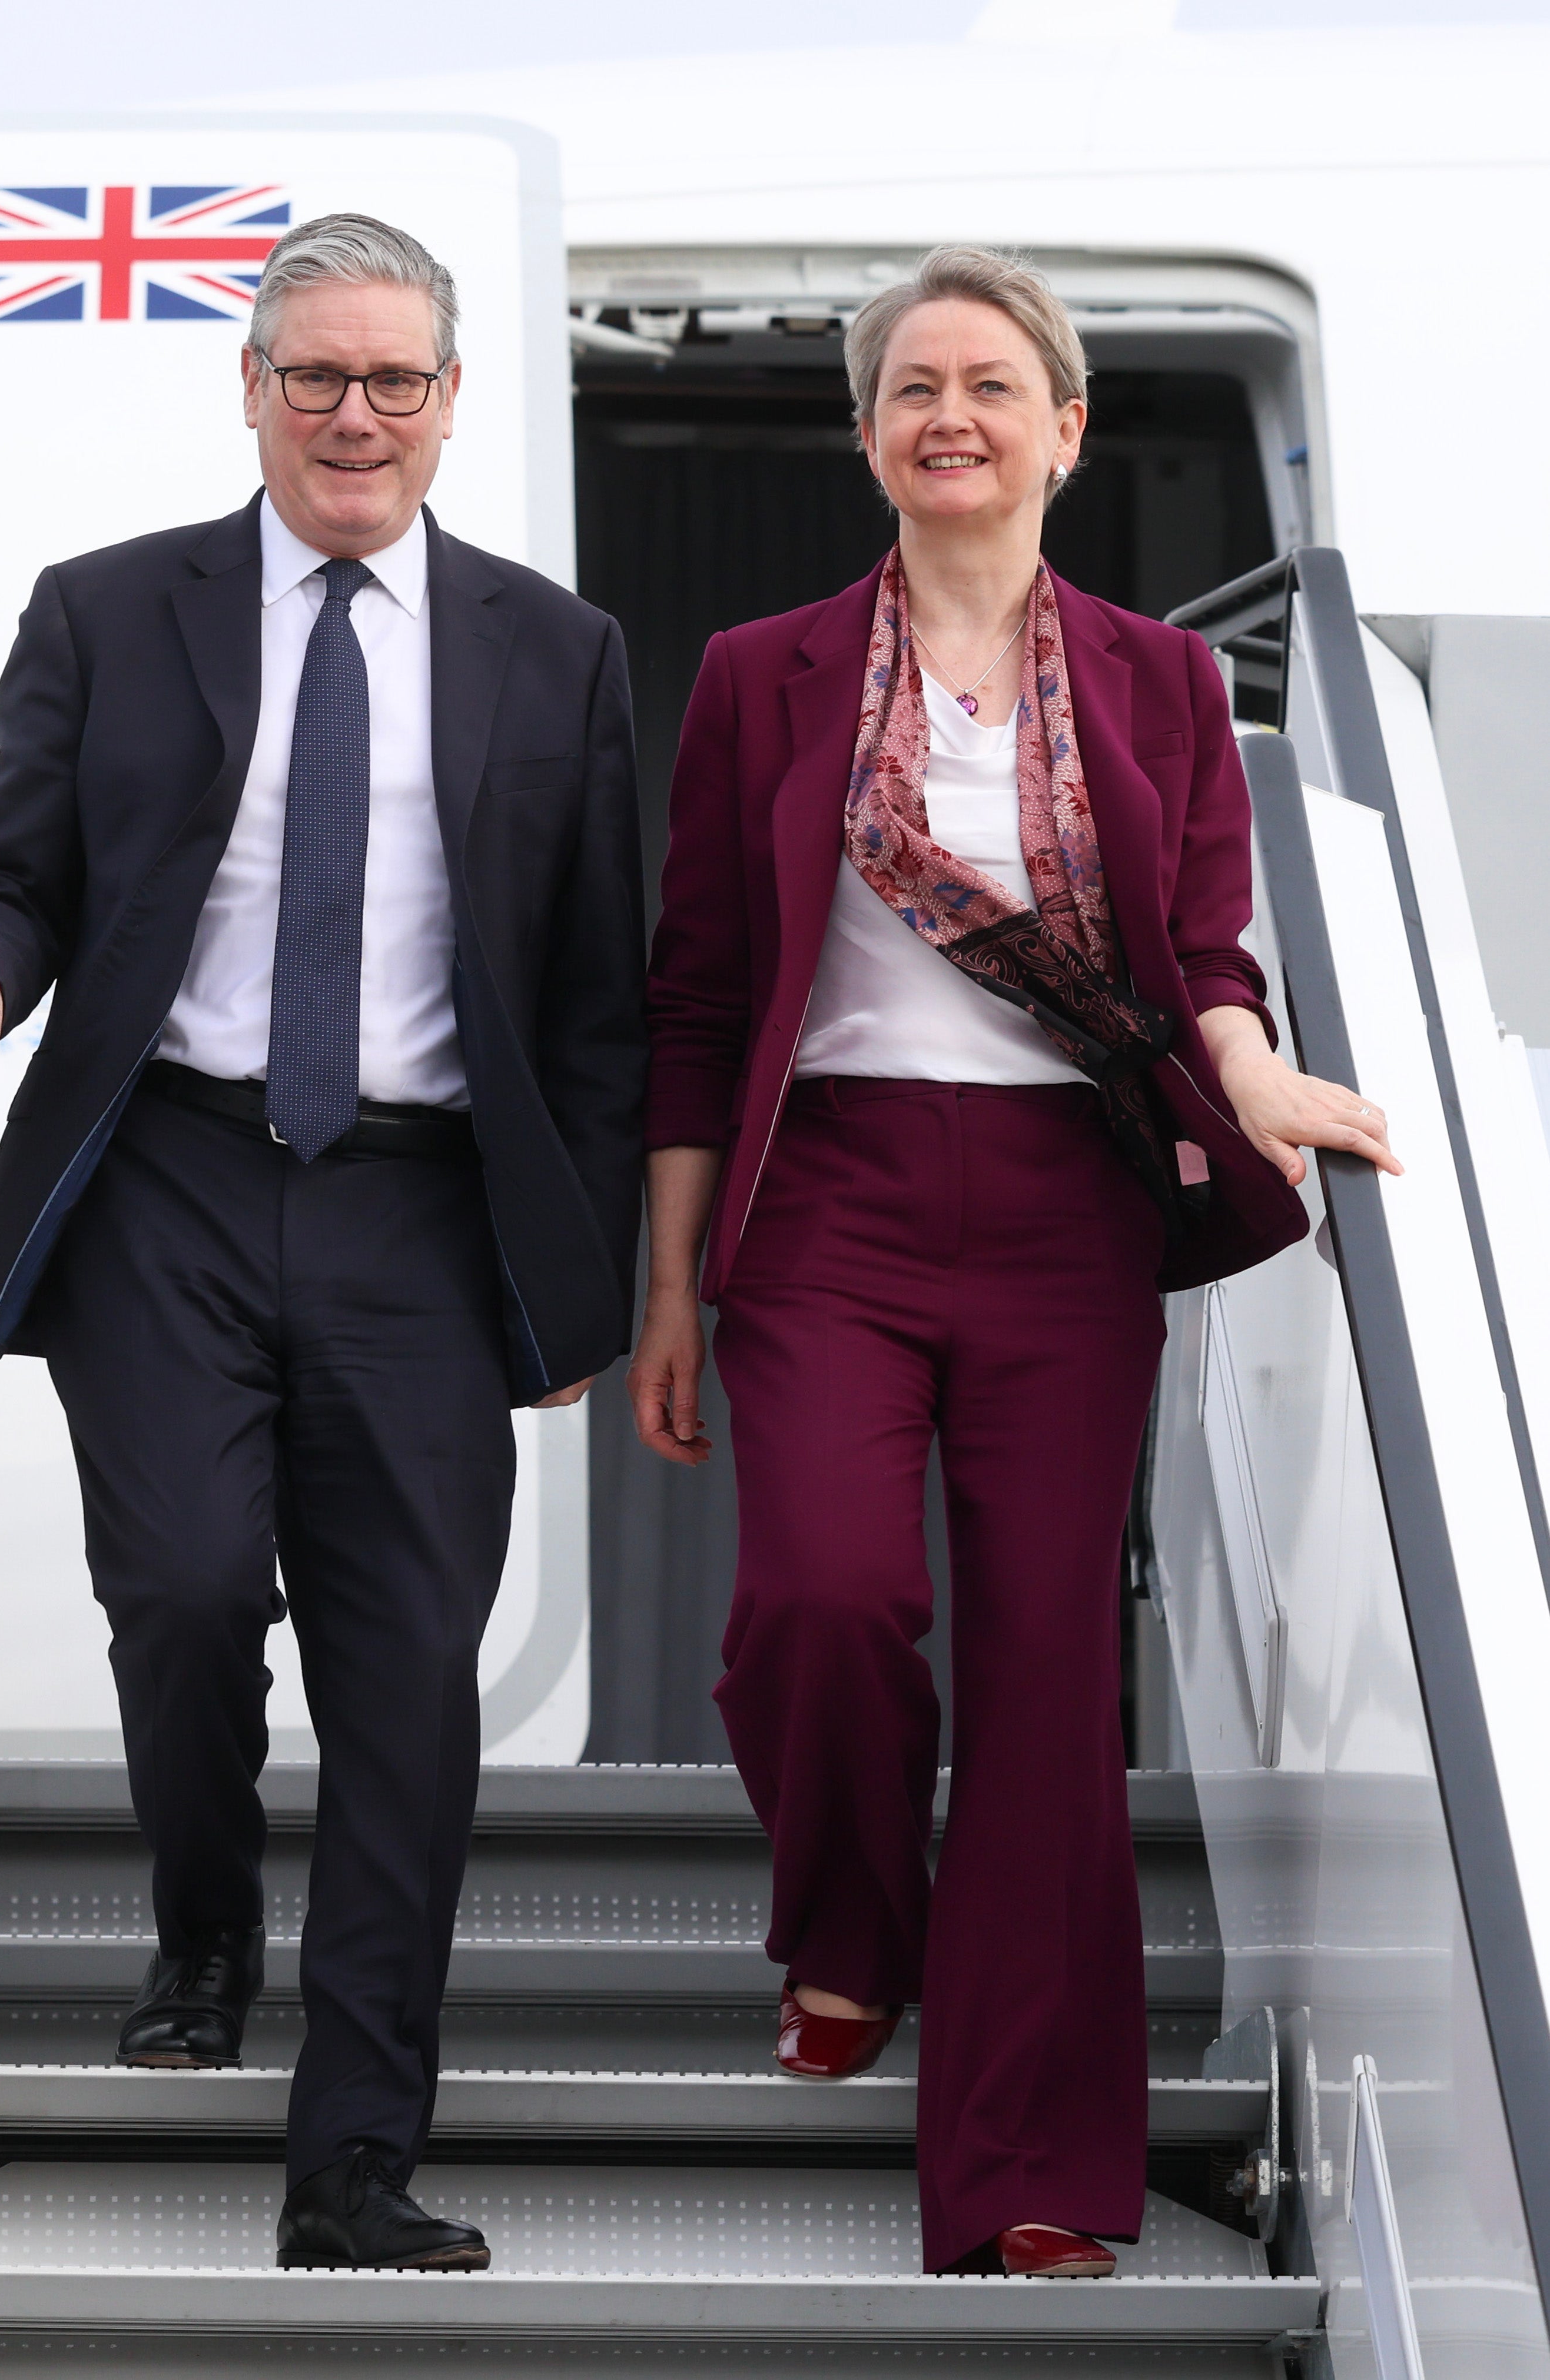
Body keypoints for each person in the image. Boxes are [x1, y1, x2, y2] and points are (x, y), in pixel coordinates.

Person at [0, 214, 645, 2273]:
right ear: (253, 388)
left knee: (406, 1686)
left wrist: (590, 1274)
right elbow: (15, 869)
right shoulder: (111, 610)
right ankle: (205, 1920)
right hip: (169, 1183)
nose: (355, 413)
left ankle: (350, 2158)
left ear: (453, 400)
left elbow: (590, 995)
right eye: (316, 376)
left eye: (394, 379)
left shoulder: (557, 649)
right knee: (188, 1592)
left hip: (422, 1208)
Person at [626, 245, 1396, 2281]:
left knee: (1050, 1680)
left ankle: (1031, 2168)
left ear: (1062, 427)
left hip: (1066, 1211)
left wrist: (1263, 1077)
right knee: (819, 1598)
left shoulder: (1159, 683)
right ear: (866, 433)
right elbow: (701, 995)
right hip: (828, 1203)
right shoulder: (757, 674)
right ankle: (851, 1926)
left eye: (990, 383)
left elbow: (1204, 962)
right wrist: (667, 1289)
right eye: (910, 387)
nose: (947, 415)